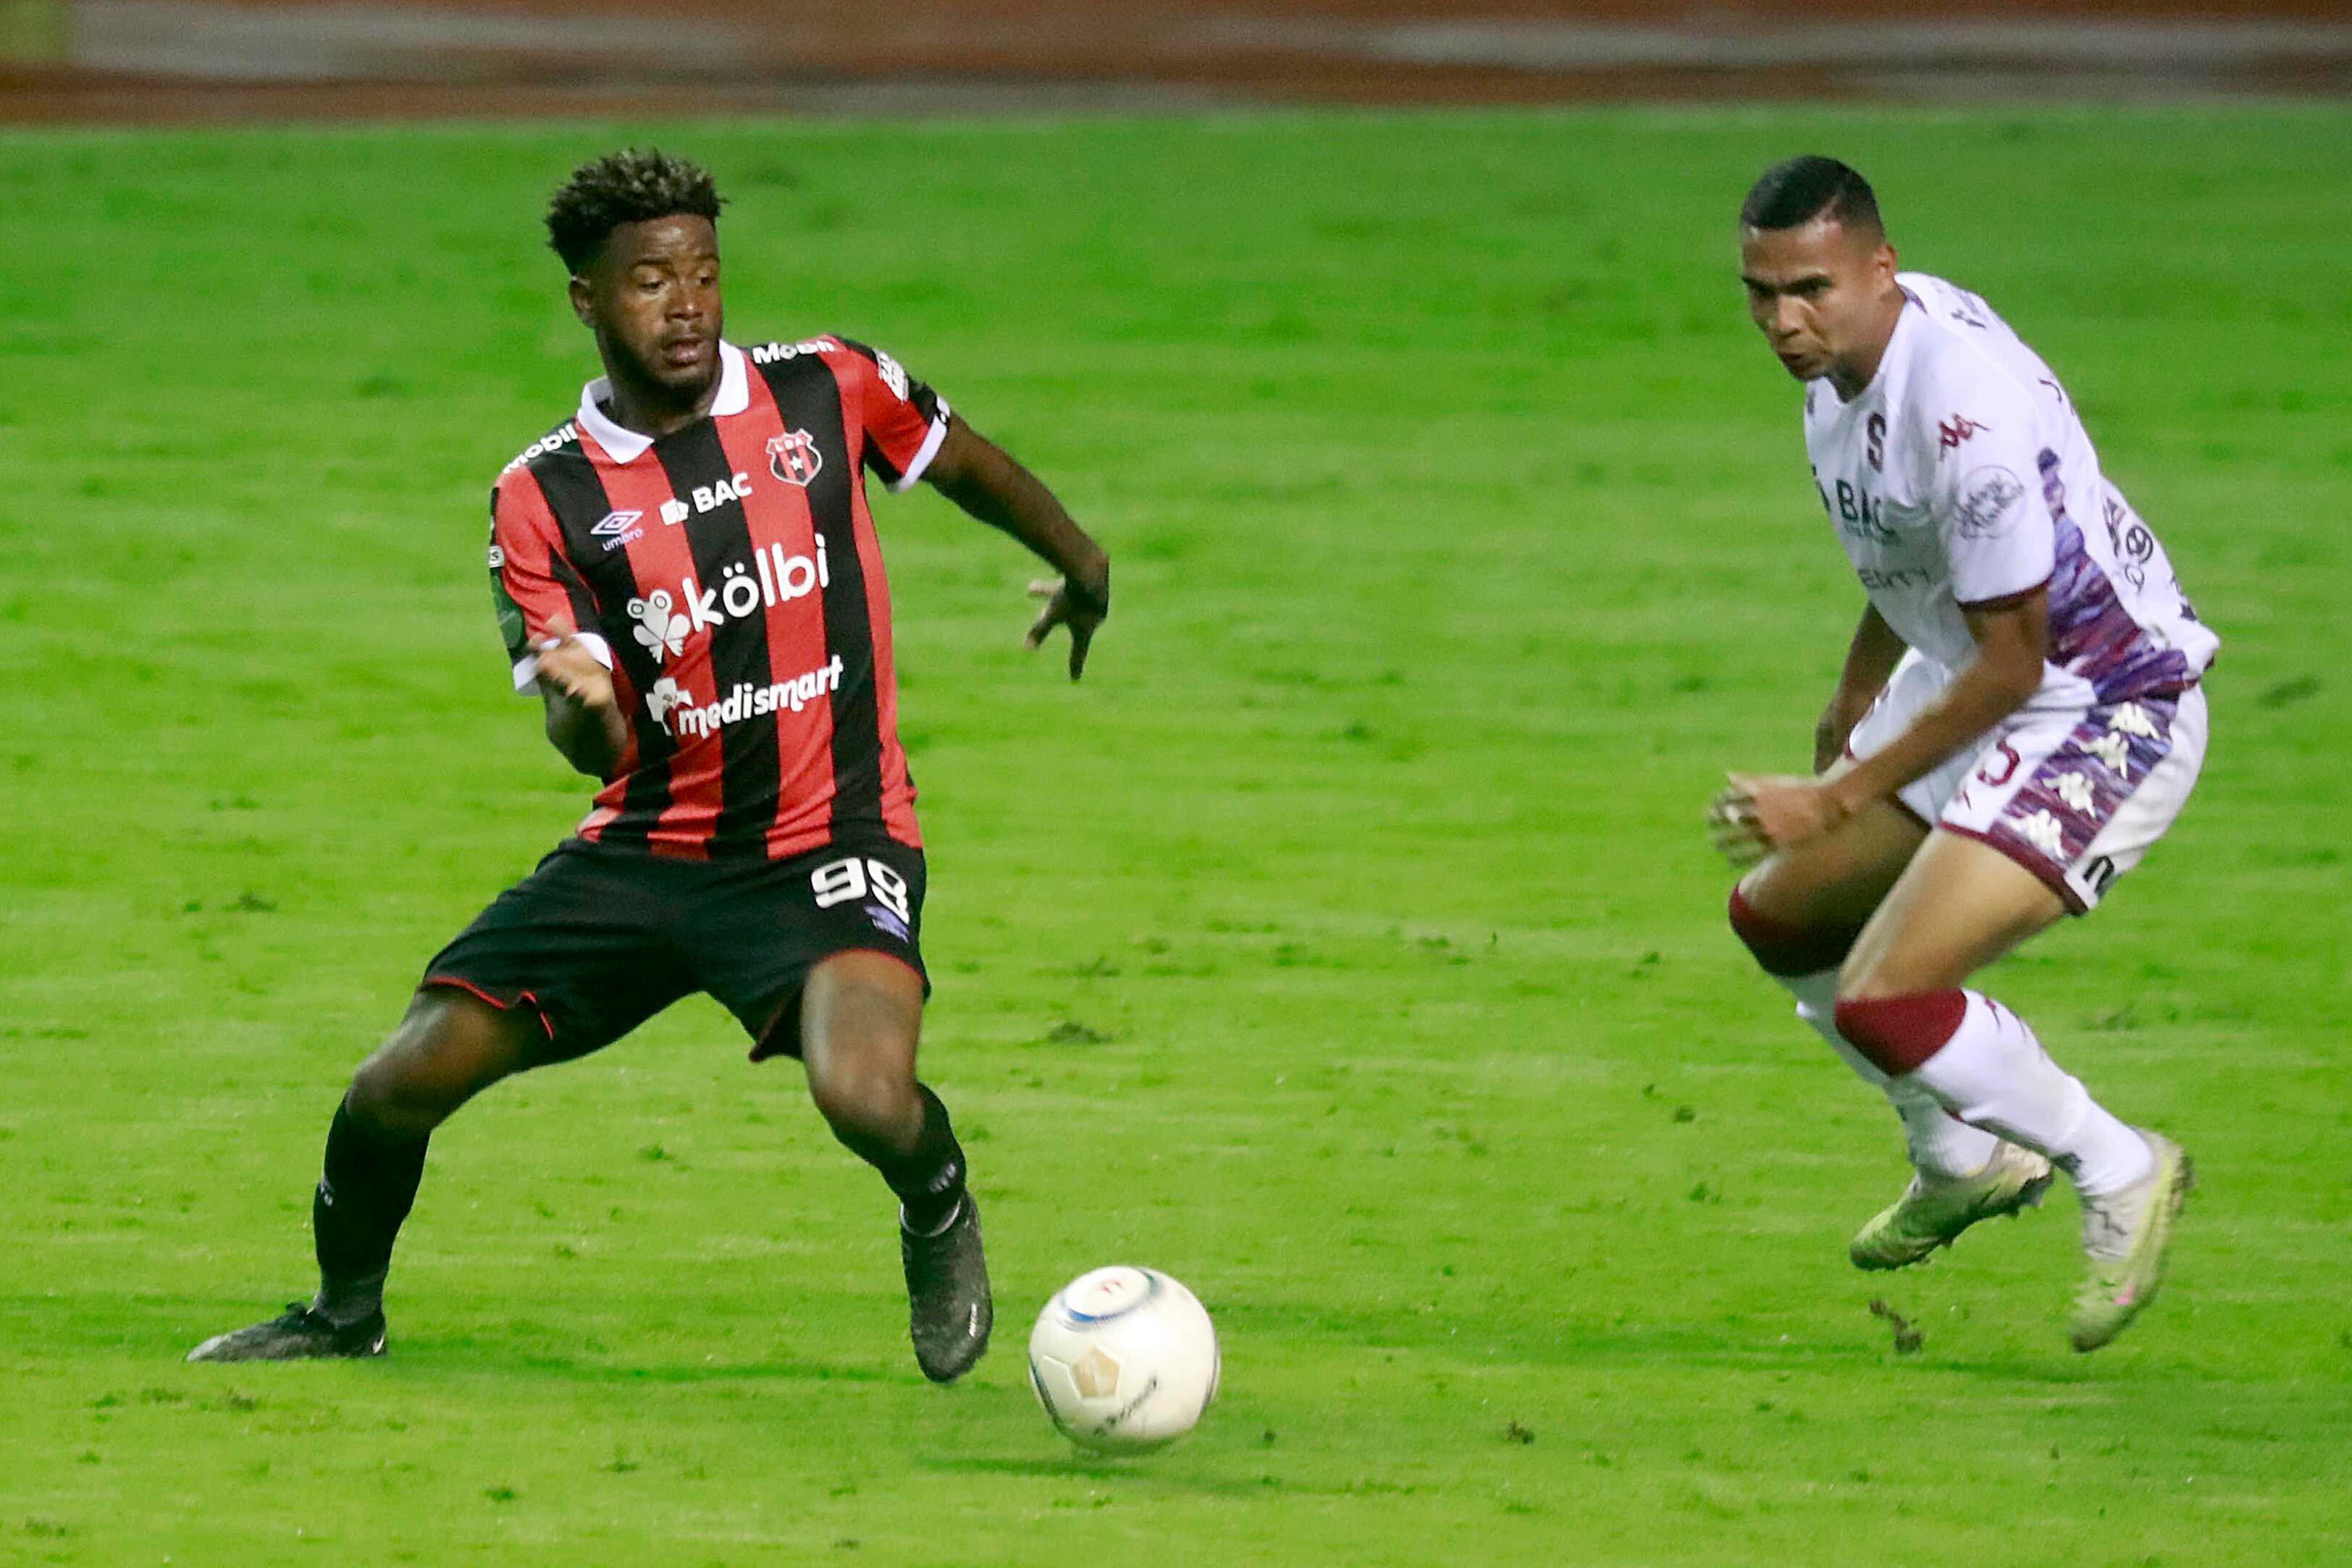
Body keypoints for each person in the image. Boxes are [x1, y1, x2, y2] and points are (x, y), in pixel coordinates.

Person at [188, 148, 1110, 1381]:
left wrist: (1082, 563)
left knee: (863, 1092)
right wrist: (585, 704)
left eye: (704, 275)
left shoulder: (825, 387)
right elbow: (593, 747)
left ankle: (936, 1202)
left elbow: (963, 458)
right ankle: (343, 1313)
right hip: (648, 851)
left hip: (831, 835)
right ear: (587, 298)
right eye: (649, 282)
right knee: (395, 1083)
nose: (686, 307)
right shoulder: (543, 496)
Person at [1713, 156, 2216, 1352]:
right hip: (1975, 672)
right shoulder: (1849, 367)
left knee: (1889, 990)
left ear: (1881, 269)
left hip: (2106, 702)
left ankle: (2122, 1165)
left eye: (1811, 290)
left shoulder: (1963, 411)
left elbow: (2016, 662)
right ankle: (1960, 1158)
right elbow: (1916, 553)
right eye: (1761, 293)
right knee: (1780, 917)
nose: (1784, 321)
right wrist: (1853, 696)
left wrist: (1835, 792)